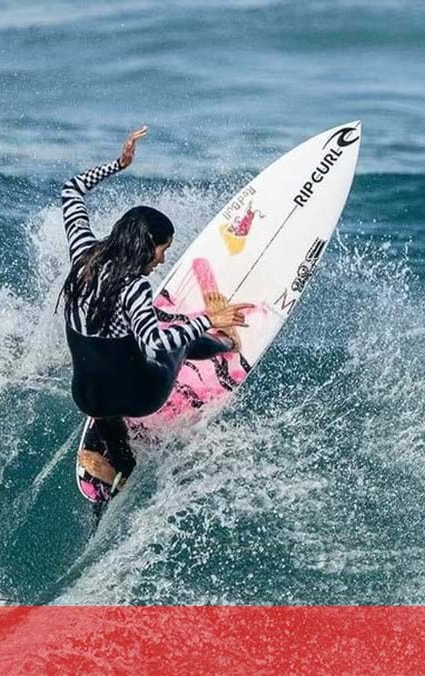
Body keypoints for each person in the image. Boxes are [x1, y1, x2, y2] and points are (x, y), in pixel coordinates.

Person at [59, 126, 252, 499]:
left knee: (123, 350)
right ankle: (228, 343)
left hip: (84, 397)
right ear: (144, 246)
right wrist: (210, 320)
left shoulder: (83, 254)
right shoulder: (133, 287)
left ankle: (116, 463)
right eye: (162, 250)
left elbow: (71, 190)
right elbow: (158, 343)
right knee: (177, 337)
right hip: (140, 398)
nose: (162, 259)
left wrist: (119, 164)